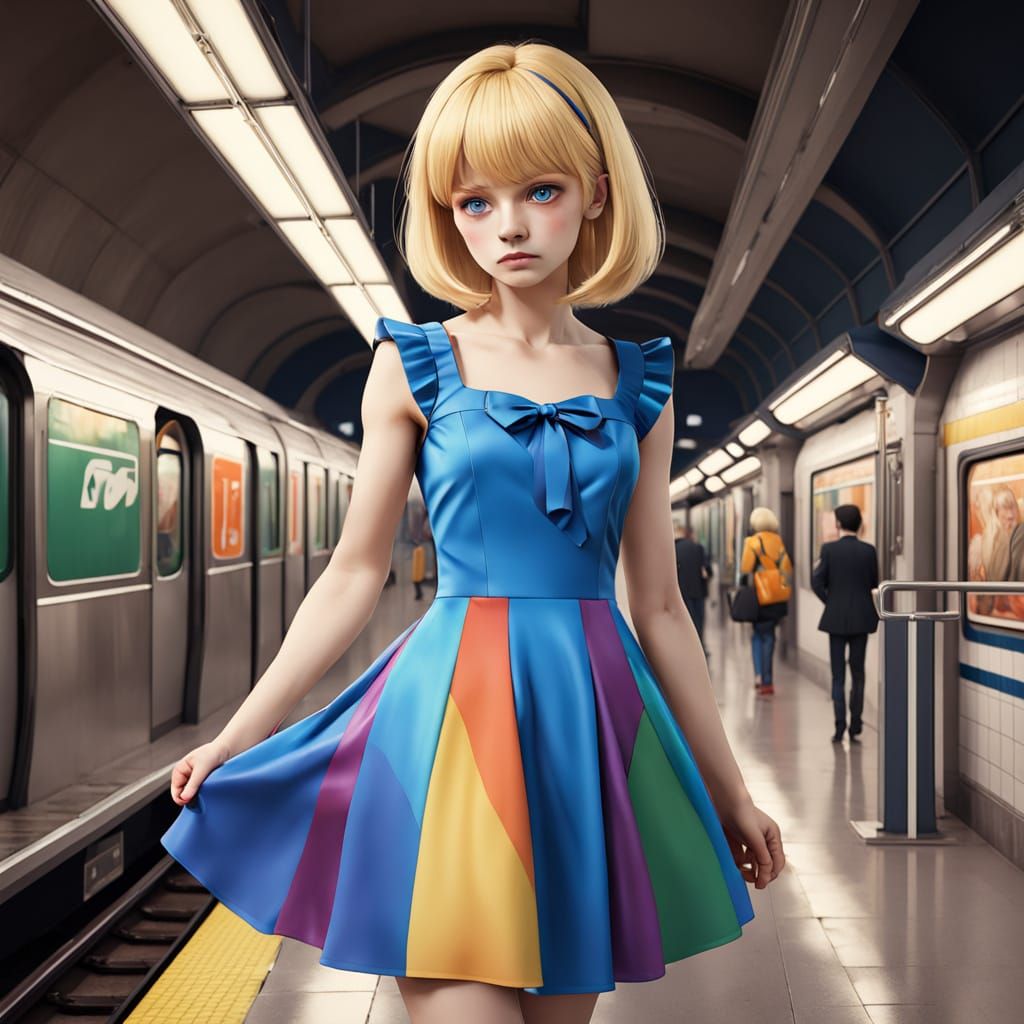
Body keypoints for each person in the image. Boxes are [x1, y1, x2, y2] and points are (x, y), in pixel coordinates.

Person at [160, 42, 784, 1024]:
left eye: (539, 189)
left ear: (595, 194)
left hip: (588, 721)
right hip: (447, 718)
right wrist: (242, 734)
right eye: (474, 200)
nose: (508, 225)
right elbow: (354, 572)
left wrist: (730, 788)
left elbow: (658, 605)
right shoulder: (411, 364)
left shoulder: (642, 383)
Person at [811, 503, 879, 743]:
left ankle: (839, 726)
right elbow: (874, 583)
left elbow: (817, 581)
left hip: (836, 619)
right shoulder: (869, 551)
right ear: (859, 524)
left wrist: (831, 602)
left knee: (837, 675)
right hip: (862, 619)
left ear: (838, 524)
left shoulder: (828, 549)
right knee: (858, 673)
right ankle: (856, 725)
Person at [740, 507, 792, 697]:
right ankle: (768, 681)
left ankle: (759, 676)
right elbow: (787, 569)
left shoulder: (752, 542)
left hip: (758, 597)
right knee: (769, 635)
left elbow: (745, 568)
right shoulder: (779, 542)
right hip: (775, 597)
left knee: (757, 636)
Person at [675, 524, 712, 654]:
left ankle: (686, 649)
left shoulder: (673, 549)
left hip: (681, 592)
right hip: (698, 591)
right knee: (699, 621)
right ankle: (699, 648)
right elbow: (708, 570)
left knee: (685, 621)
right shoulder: (698, 548)